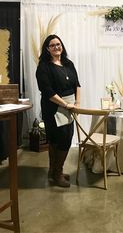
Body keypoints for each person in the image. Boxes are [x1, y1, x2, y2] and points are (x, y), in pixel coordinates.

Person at [36, 34, 81, 187]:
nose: (56, 47)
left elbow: (77, 85)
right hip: (53, 107)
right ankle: (57, 173)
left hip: (70, 106)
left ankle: (55, 171)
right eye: (52, 45)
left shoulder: (69, 64)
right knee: (58, 140)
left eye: (58, 44)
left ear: (62, 46)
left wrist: (77, 103)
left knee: (66, 137)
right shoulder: (43, 66)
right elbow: (47, 90)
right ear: (47, 49)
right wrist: (65, 104)